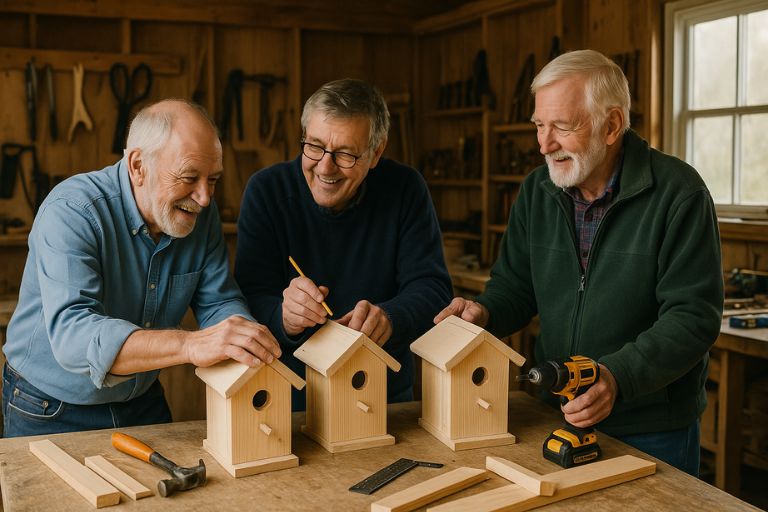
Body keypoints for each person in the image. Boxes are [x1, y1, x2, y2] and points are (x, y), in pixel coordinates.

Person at [435, 50, 723, 477]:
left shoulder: (679, 194)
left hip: (652, 426)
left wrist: (617, 376)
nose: (544, 144)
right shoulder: (537, 191)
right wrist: (485, 311)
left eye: (562, 127)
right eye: (539, 125)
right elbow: (515, 285)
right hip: (557, 412)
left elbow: (693, 317)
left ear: (611, 126)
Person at [2, 99, 281, 437]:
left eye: (213, 180)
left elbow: (219, 301)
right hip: (50, 407)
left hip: (141, 398)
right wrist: (190, 345)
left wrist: (244, 340)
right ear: (137, 166)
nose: (205, 198)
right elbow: (74, 337)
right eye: (189, 177)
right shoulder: (72, 211)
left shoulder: (199, 215)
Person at [235, 78, 452, 410]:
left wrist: (390, 318)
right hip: (288, 399)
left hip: (381, 395)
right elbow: (247, 296)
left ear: (376, 152)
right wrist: (284, 317)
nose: (325, 166)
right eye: (315, 146)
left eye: (346, 154)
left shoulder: (405, 188)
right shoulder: (266, 190)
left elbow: (433, 288)